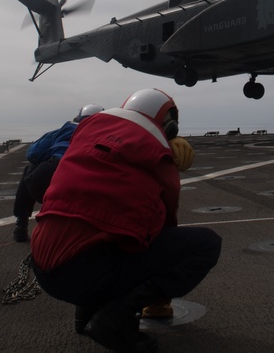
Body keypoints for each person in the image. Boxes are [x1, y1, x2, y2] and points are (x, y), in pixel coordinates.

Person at [30, 89, 219, 353]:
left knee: (94, 229)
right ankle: (115, 319)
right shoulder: (159, 155)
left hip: (42, 266)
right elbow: (165, 222)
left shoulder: (85, 135)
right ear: (170, 124)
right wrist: (159, 297)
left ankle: (85, 316)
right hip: (83, 272)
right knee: (206, 245)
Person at [11, 104, 105, 243]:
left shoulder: (66, 129)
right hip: (89, 183)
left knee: (29, 170)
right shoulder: (109, 134)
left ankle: (21, 223)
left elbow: (33, 153)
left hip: (50, 174)